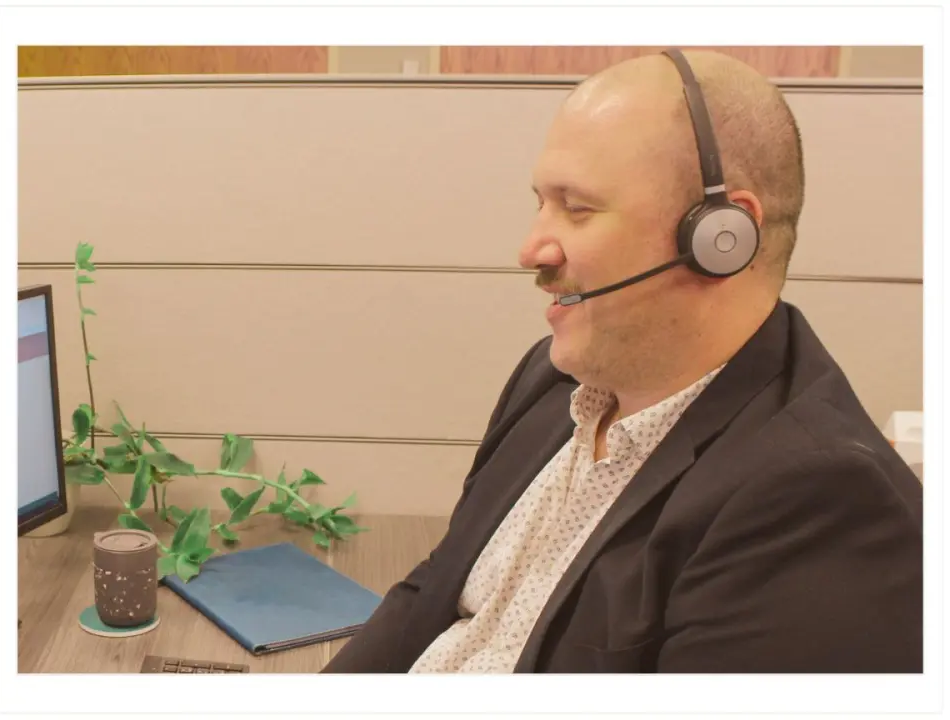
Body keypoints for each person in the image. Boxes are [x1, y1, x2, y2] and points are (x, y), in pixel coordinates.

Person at [322, 48, 923, 673]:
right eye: (540, 202)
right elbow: (438, 586)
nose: (530, 249)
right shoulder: (554, 380)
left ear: (722, 238)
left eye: (577, 207)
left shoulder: (819, 500)